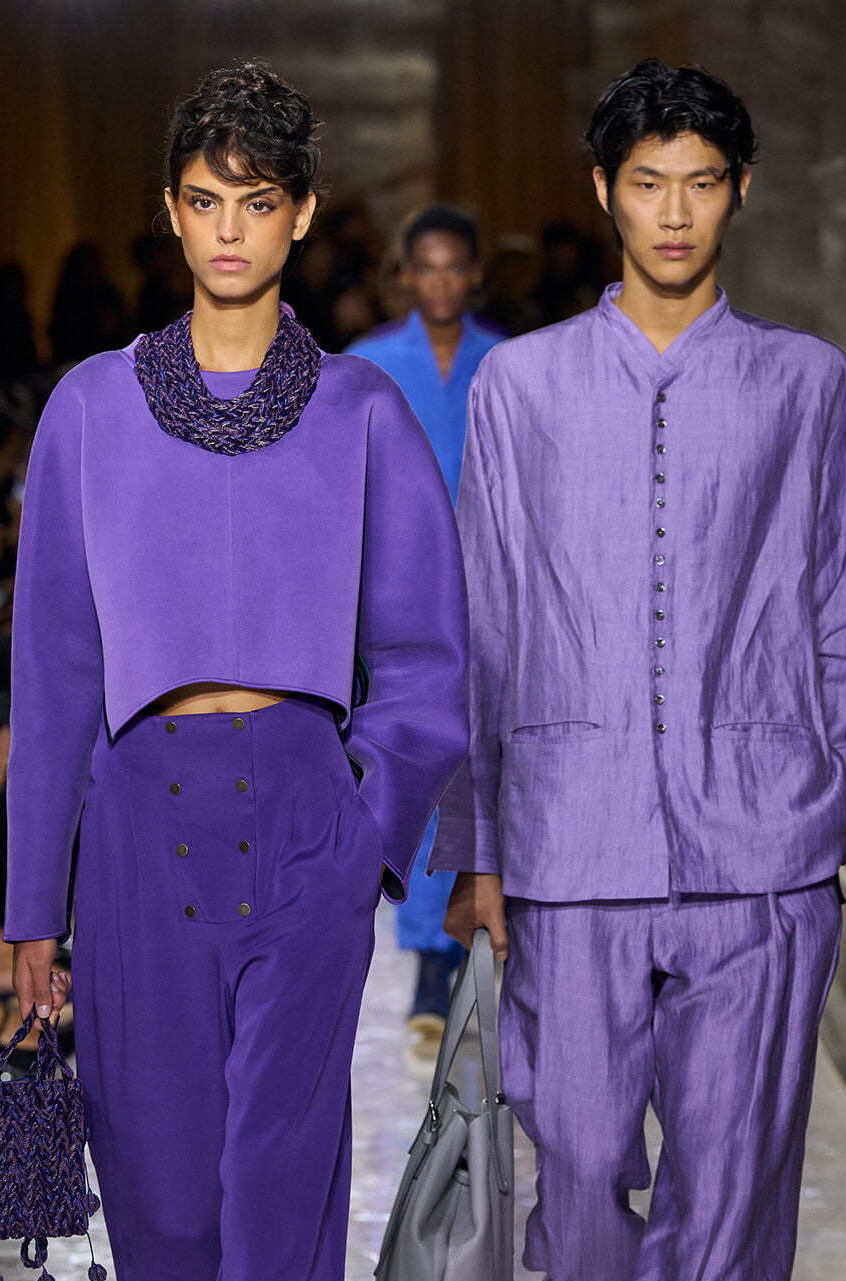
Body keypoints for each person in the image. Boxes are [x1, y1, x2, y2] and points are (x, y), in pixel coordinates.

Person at [5, 61, 466, 1281]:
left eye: (255, 202)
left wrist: (368, 827)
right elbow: (52, 669)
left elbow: (424, 659)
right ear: (170, 212)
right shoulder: (83, 411)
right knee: (169, 1206)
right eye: (201, 201)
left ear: (301, 215)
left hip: (297, 821)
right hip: (133, 822)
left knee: (277, 1206)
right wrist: (28, 913)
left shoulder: (357, 419)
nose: (225, 230)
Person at [437, 60, 846, 1281]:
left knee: (734, 1166)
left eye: (701, 181)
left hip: (766, 837)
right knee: (571, 1138)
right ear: (606, 195)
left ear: (737, 193)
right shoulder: (523, 386)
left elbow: (835, 601)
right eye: (648, 182)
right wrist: (474, 839)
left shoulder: (812, 383)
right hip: (570, 828)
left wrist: (836, 777)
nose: (674, 210)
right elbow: (483, 613)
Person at [346, 206, 502, 1034]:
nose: (440, 282)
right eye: (426, 268)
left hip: (487, 585)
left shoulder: (508, 360)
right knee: (412, 755)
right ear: (406, 274)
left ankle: (465, 939)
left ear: (473, 274)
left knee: (477, 757)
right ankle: (425, 958)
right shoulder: (369, 364)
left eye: (455, 267)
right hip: (396, 590)